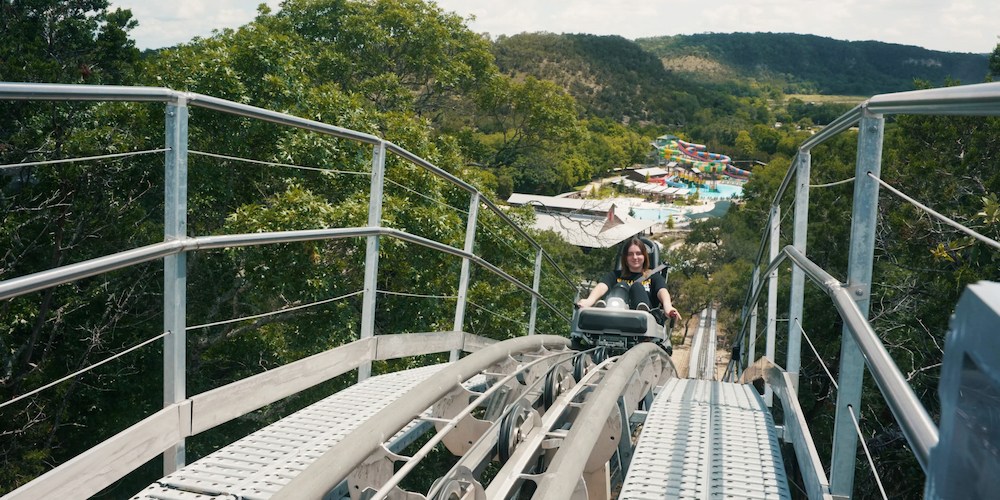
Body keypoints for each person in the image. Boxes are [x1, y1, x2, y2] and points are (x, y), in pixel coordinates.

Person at [577, 237, 682, 321]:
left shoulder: (653, 277)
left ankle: (642, 310)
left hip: (643, 319)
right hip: (616, 316)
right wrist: (589, 301)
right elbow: (602, 286)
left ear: (645, 256)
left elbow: (662, 291)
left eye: (638, 254)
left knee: (636, 286)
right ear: (625, 258)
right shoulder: (615, 275)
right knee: (621, 286)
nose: (635, 257)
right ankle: (603, 308)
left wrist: (668, 307)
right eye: (630, 254)